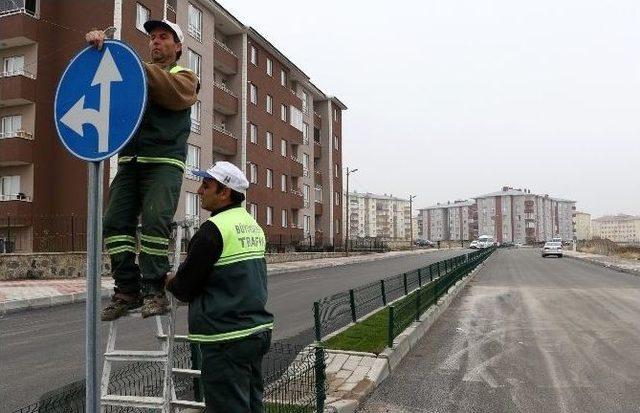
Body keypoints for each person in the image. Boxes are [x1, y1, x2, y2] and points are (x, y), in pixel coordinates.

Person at [85, 20, 200, 320]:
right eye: (152, 37)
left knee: (154, 221)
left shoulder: (185, 76)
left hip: (163, 163)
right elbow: (103, 85)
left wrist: (128, 61)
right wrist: (103, 50)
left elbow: (172, 93)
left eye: (164, 37)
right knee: (114, 223)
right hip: (129, 161)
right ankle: (127, 291)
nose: (156, 42)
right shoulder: (134, 73)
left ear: (178, 47)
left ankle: (153, 290)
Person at [166, 161, 273, 413]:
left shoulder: (212, 231)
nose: (200, 191)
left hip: (226, 338)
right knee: (252, 404)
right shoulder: (253, 226)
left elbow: (184, 288)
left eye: (206, 185)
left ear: (224, 192)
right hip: (255, 331)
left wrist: (168, 280)